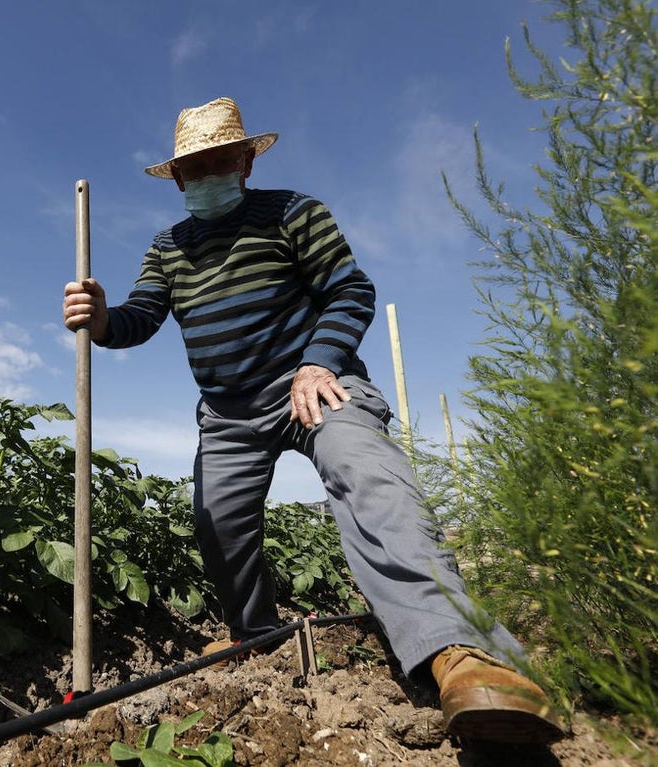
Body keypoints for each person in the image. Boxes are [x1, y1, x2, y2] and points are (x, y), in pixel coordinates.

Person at [61, 97, 565, 745]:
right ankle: (256, 634)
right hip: (229, 410)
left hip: (316, 384)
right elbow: (141, 317)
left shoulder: (292, 211)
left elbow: (348, 288)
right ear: (179, 178)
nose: (208, 174)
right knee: (217, 520)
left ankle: (458, 650)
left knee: (369, 476)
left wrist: (318, 361)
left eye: (221, 161)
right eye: (195, 167)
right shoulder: (170, 246)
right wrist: (101, 318)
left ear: (246, 162)